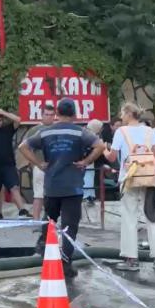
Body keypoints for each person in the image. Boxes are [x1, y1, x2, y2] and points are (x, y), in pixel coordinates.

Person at [19, 98, 105, 279]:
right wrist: (86, 162)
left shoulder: (44, 133)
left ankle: (43, 250)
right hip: (73, 187)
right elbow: (100, 145)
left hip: (52, 186)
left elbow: (23, 146)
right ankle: (65, 263)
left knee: (49, 220)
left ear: (57, 113)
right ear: (74, 114)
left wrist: (39, 164)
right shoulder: (81, 132)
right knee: (69, 227)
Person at [104, 102, 155, 272]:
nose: (121, 117)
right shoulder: (149, 131)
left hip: (129, 178)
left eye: (123, 114)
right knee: (152, 216)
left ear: (129, 113)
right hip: (148, 178)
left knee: (130, 217)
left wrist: (103, 150)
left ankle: (132, 258)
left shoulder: (121, 132)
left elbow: (112, 157)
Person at [0, 108, 31, 219]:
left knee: (14, 186)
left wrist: (3, 112)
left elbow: (18, 120)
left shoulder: (7, 129)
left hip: (8, 164)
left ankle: (22, 210)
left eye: (0, 120)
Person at [22, 105, 57, 219]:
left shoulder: (57, 129)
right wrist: (36, 164)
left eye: (51, 115)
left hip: (55, 166)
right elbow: (25, 149)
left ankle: (51, 220)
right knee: (39, 195)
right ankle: (36, 220)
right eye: (46, 114)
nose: (49, 117)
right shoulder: (35, 130)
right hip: (41, 166)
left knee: (54, 195)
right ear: (42, 115)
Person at [84, 119, 105, 205]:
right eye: (100, 128)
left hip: (88, 161)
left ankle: (89, 196)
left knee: (89, 177)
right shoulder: (90, 136)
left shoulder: (87, 133)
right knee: (87, 178)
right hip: (86, 160)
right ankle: (88, 196)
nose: (101, 130)